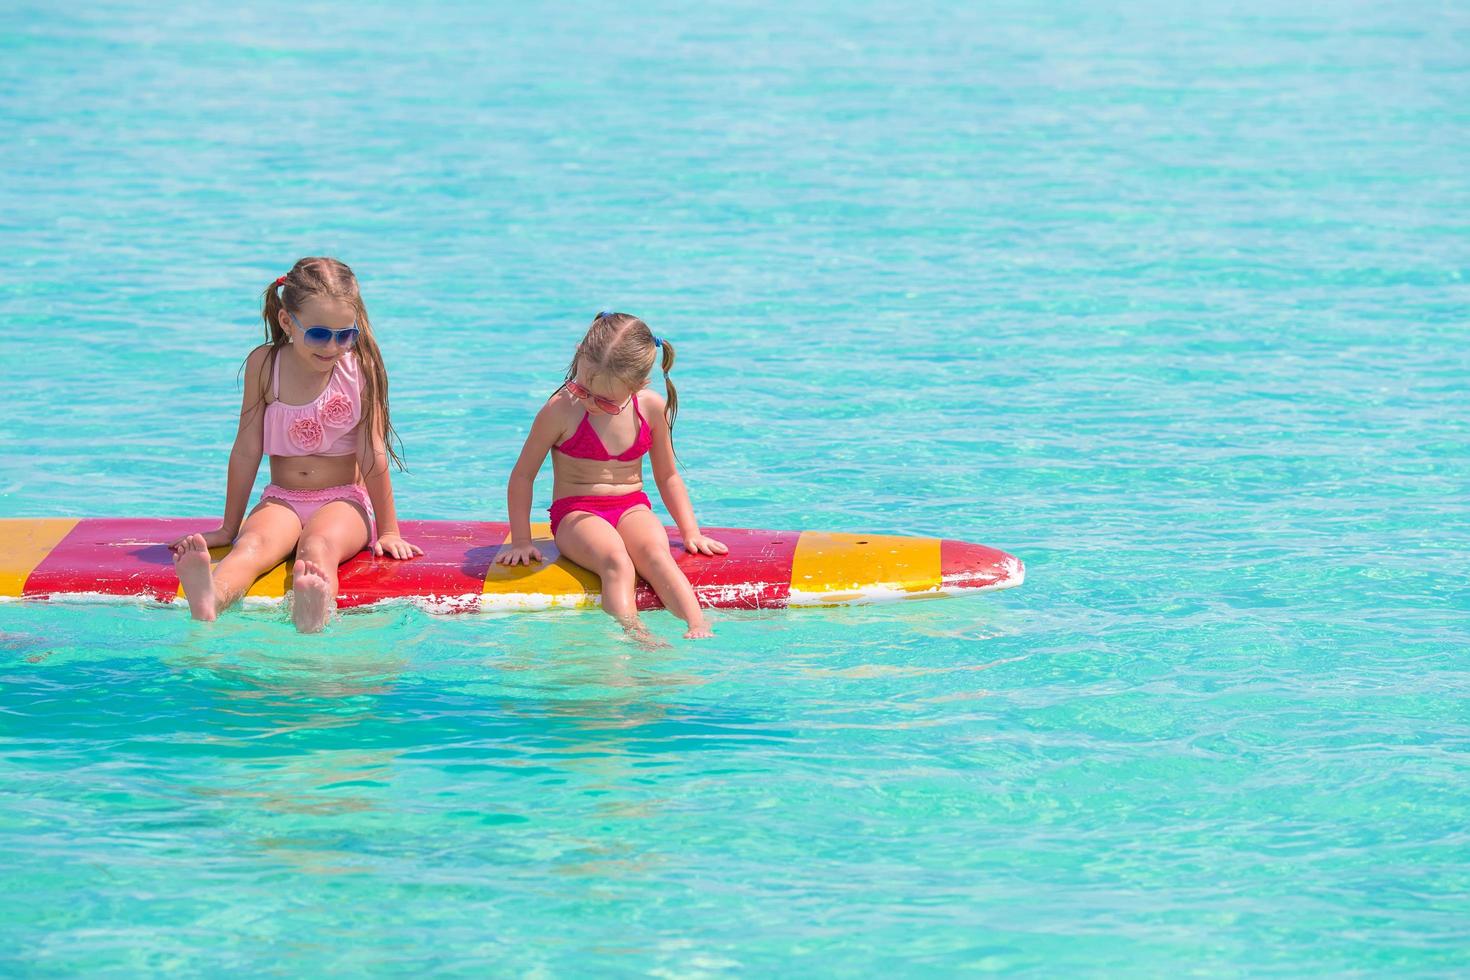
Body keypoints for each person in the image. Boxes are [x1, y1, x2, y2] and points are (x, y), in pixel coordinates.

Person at [170, 257, 420, 632]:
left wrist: (388, 531)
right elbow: (246, 448)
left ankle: (314, 612)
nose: (333, 346)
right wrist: (228, 527)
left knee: (318, 548)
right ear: (287, 322)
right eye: (320, 335)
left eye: (345, 335)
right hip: (281, 497)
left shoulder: (360, 367)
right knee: (251, 546)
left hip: (344, 501)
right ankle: (210, 599)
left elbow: (372, 451)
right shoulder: (265, 364)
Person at [498, 311, 727, 639]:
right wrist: (521, 540)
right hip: (576, 514)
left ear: (639, 386)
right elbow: (523, 476)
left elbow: (667, 476)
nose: (590, 403)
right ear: (579, 355)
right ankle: (636, 634)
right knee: (617, 562)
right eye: (582, 389)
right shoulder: (560, 410)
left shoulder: (649, 408)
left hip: (632, 506)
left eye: (605, 401)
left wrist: (691, 532)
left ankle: (698, 625)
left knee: (656, 556)